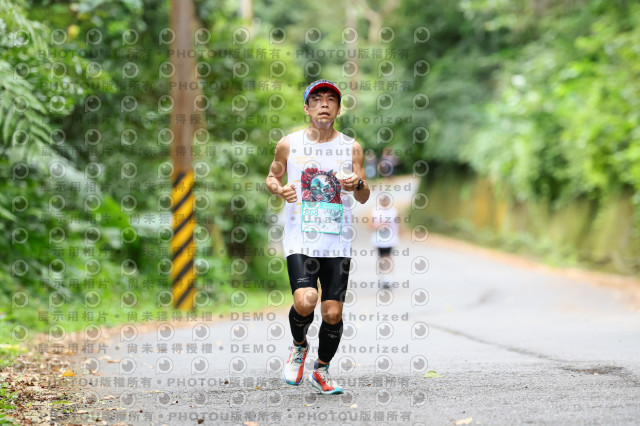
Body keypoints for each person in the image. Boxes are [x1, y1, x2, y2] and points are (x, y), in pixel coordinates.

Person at [265, 79, 370, 394]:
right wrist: (280, 189)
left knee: (333, 312)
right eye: (317, 99)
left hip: (337, 241)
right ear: (307, 108)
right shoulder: (288, 144)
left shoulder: (352, 147)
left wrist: (357, 185)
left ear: (338, 109)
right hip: (300, 238)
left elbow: (364, 194)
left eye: (331, 99)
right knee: (306, 299)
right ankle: (299, 345)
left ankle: (321, 369)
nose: (324, 104)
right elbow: (272, 175)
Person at [367, 193, 399, 289]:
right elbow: (370, 225)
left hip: (390, 240)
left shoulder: (393, 211)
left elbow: (397, 224)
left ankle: (389, 278)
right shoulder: (375, 211)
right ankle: (383, 277)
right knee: (381, 258)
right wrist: (378, 226)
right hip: (378, 240)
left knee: (388, 257)